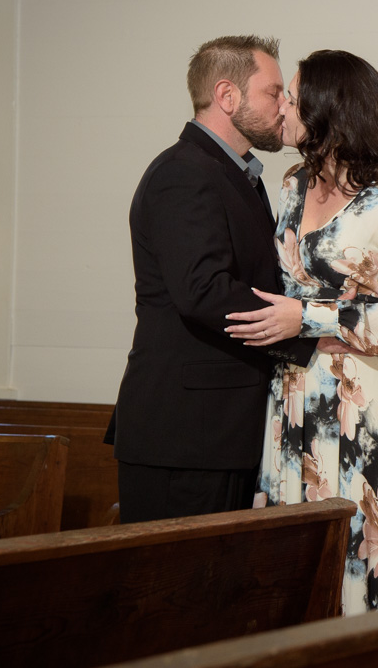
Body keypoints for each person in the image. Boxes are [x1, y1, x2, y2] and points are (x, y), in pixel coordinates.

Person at [224, 50, 378, 614]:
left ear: (327, 109)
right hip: (293, 395)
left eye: (292, 97)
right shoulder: (293, 186)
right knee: (295, 570)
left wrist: (313, 318)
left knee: (361, 561)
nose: (282, 107)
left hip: (362, 400)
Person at [106, 35, 316, 524]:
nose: (284, 105)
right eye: (273, 92)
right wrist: (305, 330)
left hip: (219, 431)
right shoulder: (183, 172)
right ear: (227, 96)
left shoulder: (236, 173)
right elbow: (202, 291)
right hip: (185, 434)